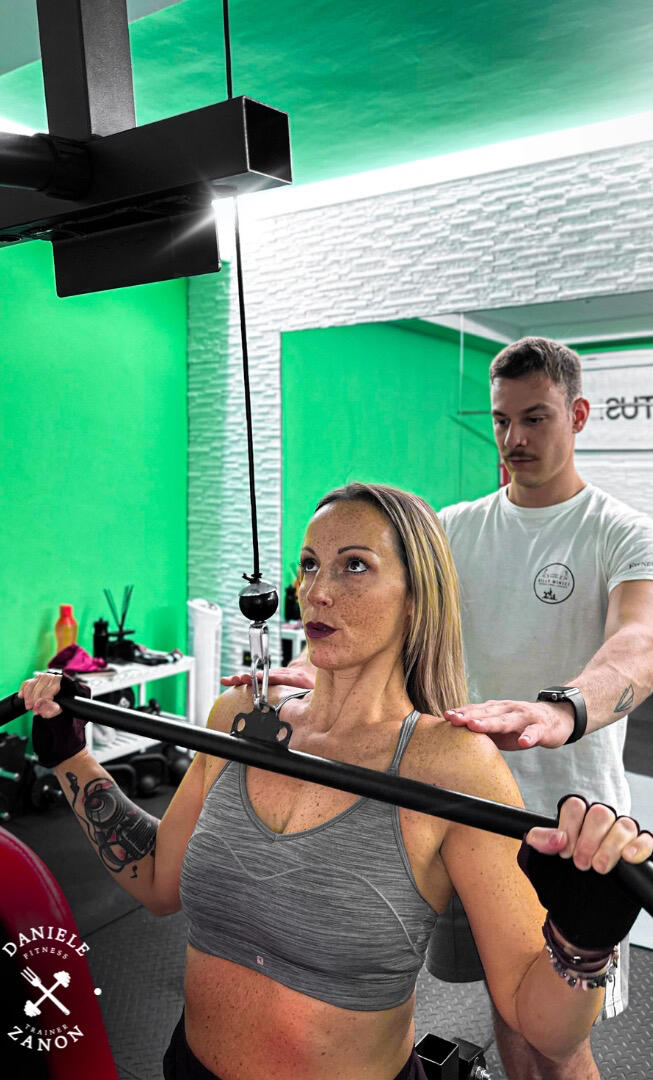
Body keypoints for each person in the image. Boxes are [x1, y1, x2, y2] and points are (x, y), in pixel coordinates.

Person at [21, 482, 652, 1080]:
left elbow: (540, 1025)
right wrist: (71, 757)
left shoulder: (453, 765)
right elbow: (159, 879)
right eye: (309, 565)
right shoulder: (240, 717)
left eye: (354, 566)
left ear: (417, 595)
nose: (317, 591)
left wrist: (580, 942)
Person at [232, 339, 653, 1079]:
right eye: (500, 420)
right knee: (509, 1011)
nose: (514, 438)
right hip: (462, 809)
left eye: (535, 418)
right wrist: (317, 669)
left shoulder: (620, 531)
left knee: (558, 1043)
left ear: (579, 414)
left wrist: (563, 711)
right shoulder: (454, 528)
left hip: (569, 824)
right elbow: (389, 623)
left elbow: (638, 640)